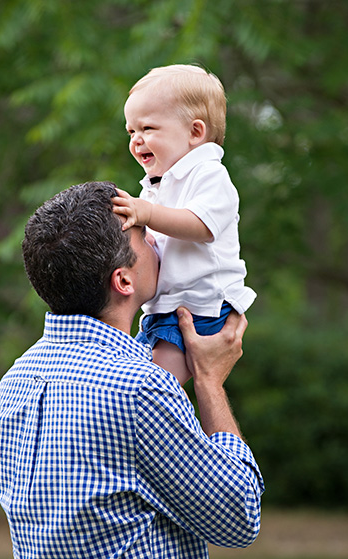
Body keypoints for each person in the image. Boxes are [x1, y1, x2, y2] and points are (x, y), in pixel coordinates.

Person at [0, 181, 264, 559]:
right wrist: (210, 382)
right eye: (144, 234)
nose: (158, 239)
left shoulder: (14, 383)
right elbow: (237, 516)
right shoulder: (138, 389)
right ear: (124, 281)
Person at [112, 64, 256, 386]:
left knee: (154, 387)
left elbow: (201, 225)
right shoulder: (158, 184)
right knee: (129, 377)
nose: (136, 140)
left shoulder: (210, 175)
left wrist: (147, 214)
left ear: (195, 132)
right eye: (131, 131)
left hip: (201, 309)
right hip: (166, 309)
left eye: (148, 128)